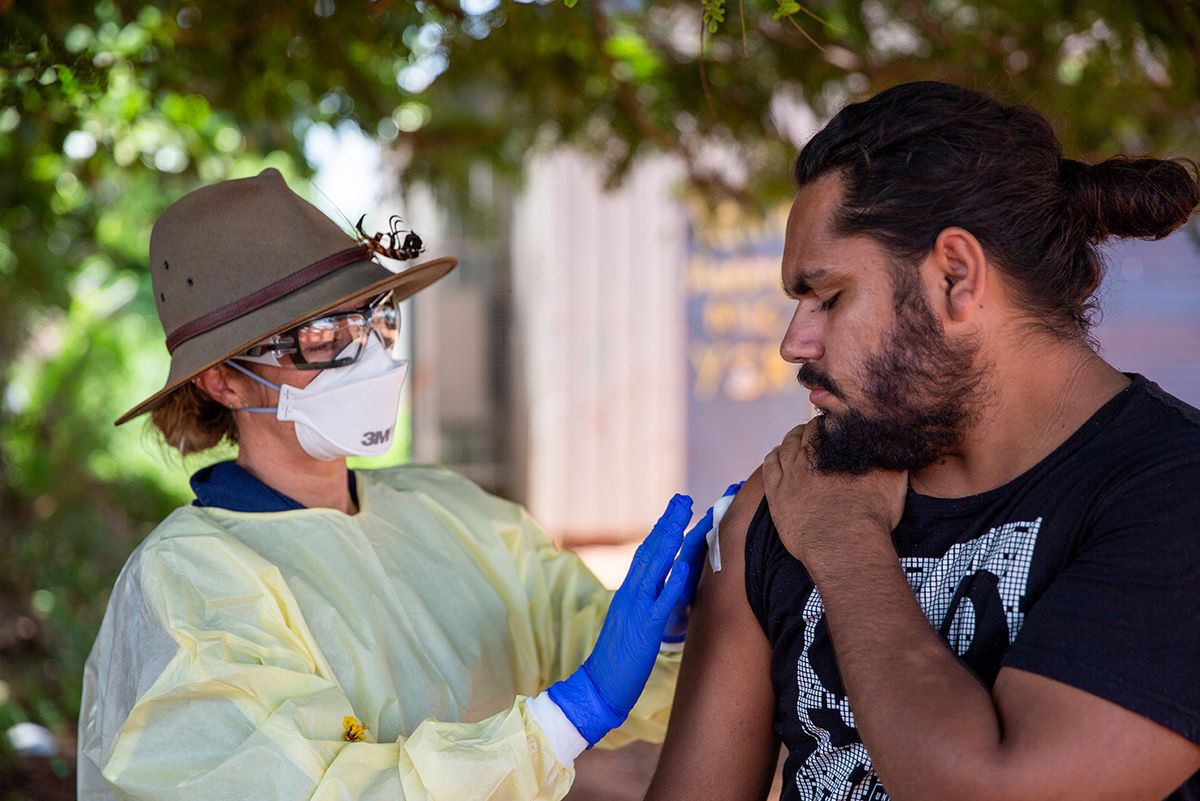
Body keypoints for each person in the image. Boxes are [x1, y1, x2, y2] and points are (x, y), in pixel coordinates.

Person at [77, 168, 731, 801]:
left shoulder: (442, 507)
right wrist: (567, 718)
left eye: (376, 319)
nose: (370, 354)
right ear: (223, 379)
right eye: (322, 335)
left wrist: (670, 630)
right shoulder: (187, 583)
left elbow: (572, 627)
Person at [646, 81, 1200, 801]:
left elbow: (1003, 788)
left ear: (955, 277)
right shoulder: (790, 497)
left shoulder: (1172, 494)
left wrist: (846, 545)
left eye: (830, 296)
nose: (793, 343)